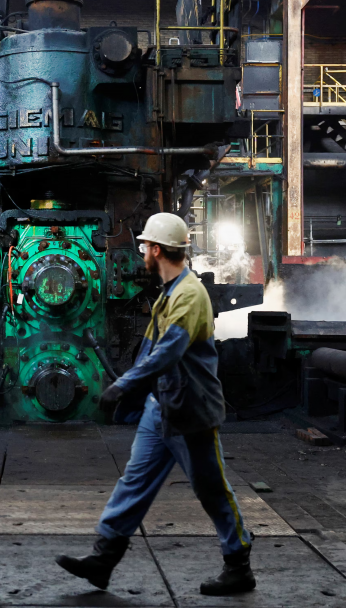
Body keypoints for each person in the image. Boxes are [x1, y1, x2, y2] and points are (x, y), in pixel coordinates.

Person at [55, 212, 254, 596]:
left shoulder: (189, 294)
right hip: (160, 406)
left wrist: (123, 386)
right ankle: (103, 558)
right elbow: (151, 348)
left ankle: (238, 563)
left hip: (191, 410)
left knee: (211, 487)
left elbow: (167, 352)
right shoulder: (169, 290)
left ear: (158, 250)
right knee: (135, 481)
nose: (141, 251)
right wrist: (137, 396)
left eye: (145, 245)